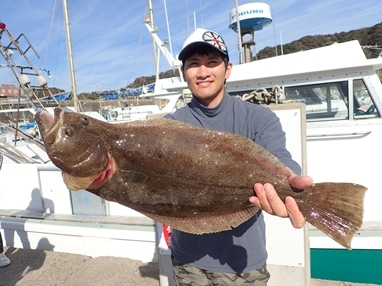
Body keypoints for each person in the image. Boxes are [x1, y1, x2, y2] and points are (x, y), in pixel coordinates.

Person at [164, 28, 313, 285]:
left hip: (243, 265)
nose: (202, 72)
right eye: (193, 64)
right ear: (183, 72)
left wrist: (289, 183)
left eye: (212, 62)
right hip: (186, 259)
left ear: (228, 69)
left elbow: (280, 159)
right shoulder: (171, 126)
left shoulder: (259, 118)